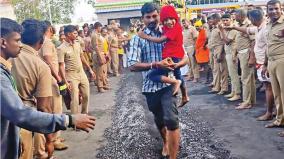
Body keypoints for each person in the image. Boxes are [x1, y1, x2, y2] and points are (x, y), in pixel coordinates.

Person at [0, 17, 96, 159]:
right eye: (17, 40)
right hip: (22, 124)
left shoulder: (8, 64)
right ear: (3, 42)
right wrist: (66, 123)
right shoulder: (36, 66)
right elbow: (29, 111)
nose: (20, 45)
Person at [128, 3, 188, 159]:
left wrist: (178, 64)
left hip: (169, 83)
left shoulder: (169, 30)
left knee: (171, 119)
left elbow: (185, 56)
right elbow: (132, 65)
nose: (152, 19)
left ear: (159, 16)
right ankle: (165, 142)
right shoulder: (137, 39)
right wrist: (155, 65)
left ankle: (173, 156)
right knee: (159, 118)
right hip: (150, 86)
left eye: (155, 16)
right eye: (148, 17)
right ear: (143, 19)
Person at [138, 5, 190, 107]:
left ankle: (174, 82)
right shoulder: (166, 27)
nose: (169, 22)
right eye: (166, 20)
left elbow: (160, 40)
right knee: (178, 74)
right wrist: (145, 28)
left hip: (172, 57)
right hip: (174, 56)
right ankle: (185, 96)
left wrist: (145, 36)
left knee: (152, 75)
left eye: (171, 19)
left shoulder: (174, 29)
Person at [38, 20, 69, 153]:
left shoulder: (43, 41)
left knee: (53, 108)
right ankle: (54, 140)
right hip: (51, 79)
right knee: (55, 109)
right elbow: (48, 60)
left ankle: (54, 137)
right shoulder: (47, 42)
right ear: (49, 28)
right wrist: (59, 79)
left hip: (49, 78)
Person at [58, 25, 94, 114]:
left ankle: (84, 115)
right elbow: (61, 66)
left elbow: (82, 57)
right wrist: (65, 81)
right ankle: (76, 121)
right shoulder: (61, 48)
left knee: (86, 95)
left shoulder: (77, 44)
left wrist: (90, 69)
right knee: (75, 99)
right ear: (68, 34)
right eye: (75, 33)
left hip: (81, 73)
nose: (77, 35)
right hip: (71, 75)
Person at [263, 0, 284, 137]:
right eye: (271, 9)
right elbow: (268, 45)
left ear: (281, 8)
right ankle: (280, 120)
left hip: (282, 60)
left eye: (276, 8)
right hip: (271, 62)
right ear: (267, 11)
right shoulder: (269, 24)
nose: (274, 11)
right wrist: (265, 64)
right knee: (277, 94)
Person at [233, 9, 256, 110]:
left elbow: (253, 41)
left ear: (241, 16)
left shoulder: (249, 25)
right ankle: (250, 101)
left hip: (246, 53)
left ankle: (246, 102)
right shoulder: (241, 25)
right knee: (248, 79)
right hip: (242, 54)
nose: (234, 17)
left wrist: (251, 57)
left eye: (236, 15)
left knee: (245, 79)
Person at [219, 14, 241, 101]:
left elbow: (227, 41)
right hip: (228, 53)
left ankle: (237, 93)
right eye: (223, 20)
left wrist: (221, 30)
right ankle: (233, 91)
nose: (225, 22)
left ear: (231, 19)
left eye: (227, 20)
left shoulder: (233, 29)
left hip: (232, 54)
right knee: (231, 75)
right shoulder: (226, 29)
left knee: (234, 74)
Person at [208, 13, 228, 95]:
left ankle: (224, 88)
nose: (210, 21)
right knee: (216, 70)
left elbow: (224, 41)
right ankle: (216, 87)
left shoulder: (220, 27)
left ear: (216, 19)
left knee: (223, 71)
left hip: (220, 51)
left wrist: (222, 54)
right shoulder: (214, 28)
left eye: (212, 19)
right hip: (214, 51)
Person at [91, 22, 109, 93]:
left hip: (101, 53)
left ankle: (103, 85)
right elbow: (96, 47)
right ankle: (100, 87)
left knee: (103, 71)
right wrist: (100, 57)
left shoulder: (98, 35)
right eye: (100, 27)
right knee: (99, 72)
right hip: (98, 54)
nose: (101, 29)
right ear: (97, 27)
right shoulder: (94, 35)